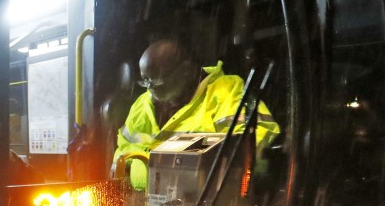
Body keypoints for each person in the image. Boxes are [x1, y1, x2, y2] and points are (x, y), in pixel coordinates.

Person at [113, 36, 279, 191]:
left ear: (185, 71)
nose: (150, 88)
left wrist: (158, 167)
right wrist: (142, 166)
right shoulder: (142, 104)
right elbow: (122, 150)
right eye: (145, 80)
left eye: (156, 80)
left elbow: (247, 144)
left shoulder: (227, 92)